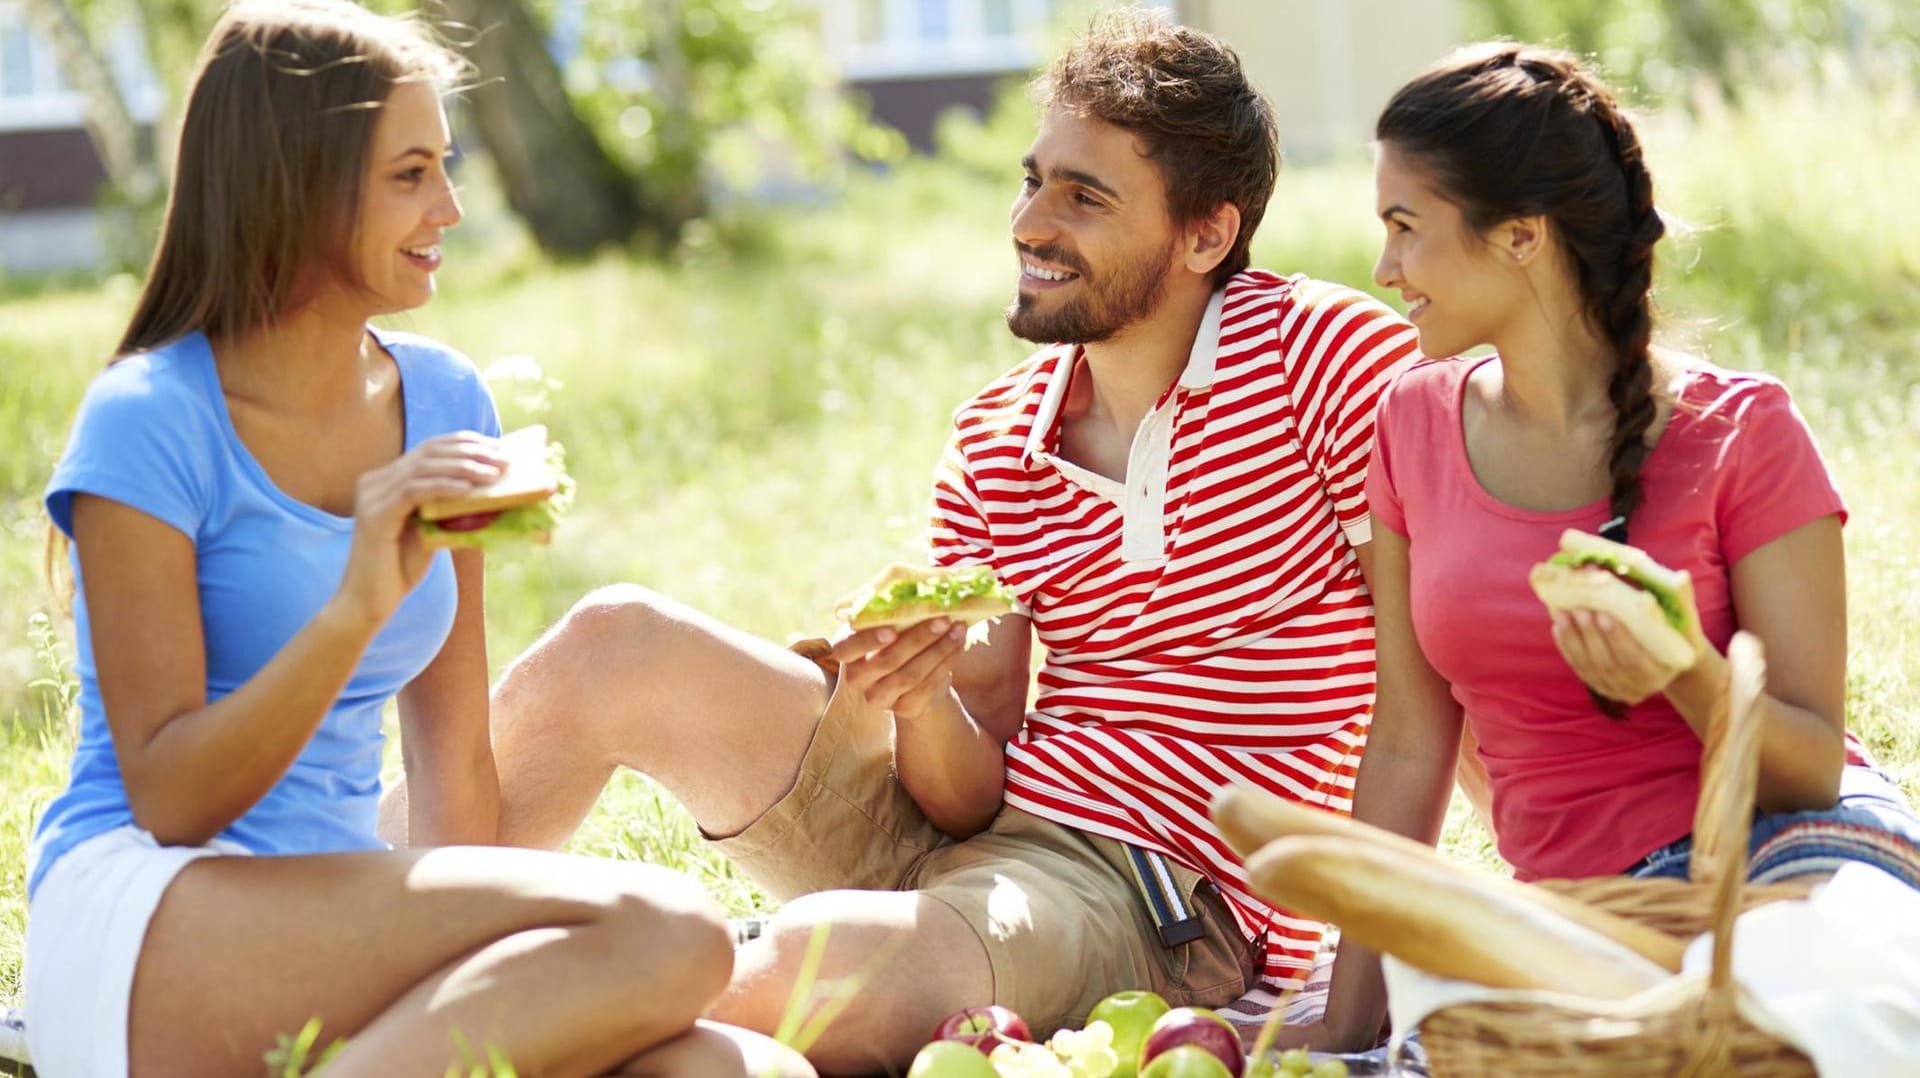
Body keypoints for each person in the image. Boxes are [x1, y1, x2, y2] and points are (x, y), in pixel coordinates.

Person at [418, 10, 1420, 1072]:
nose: (1033, 222)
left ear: (1205, 235)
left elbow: (1438, 672)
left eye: (1085, 196)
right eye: (1034, 180)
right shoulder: (998, 435)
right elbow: (965, 791)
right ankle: (325, 928)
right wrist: (922, 691)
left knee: (821, 966)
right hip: (975, 840)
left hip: (1157, 894)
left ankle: (424, 1045)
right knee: (615, 639)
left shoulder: (1323, 356)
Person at [21, 3, 808, 1076]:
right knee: (671, 932)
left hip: (339, 912)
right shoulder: (148, 418)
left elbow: (452, 771)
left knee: (735, 1069)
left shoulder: (443, 398)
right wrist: (356, 603)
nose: (450, 204)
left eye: (446, 165)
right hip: (152, 912)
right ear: (295, 181)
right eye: (409, 175)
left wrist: (484, 977)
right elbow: (171, 798)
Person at [1287, 43, 1920, 1052]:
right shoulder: (1409, 424)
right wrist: (1348, 1035)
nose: (1384, 269)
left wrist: (1686, 675)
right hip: (1580, 916)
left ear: (1522, 236)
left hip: (1780, 865)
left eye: (1406, 228)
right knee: (1467, 1017)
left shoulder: (1744, 432)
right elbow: (1410, 742)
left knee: (1802, 1020)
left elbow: (1808, 766)